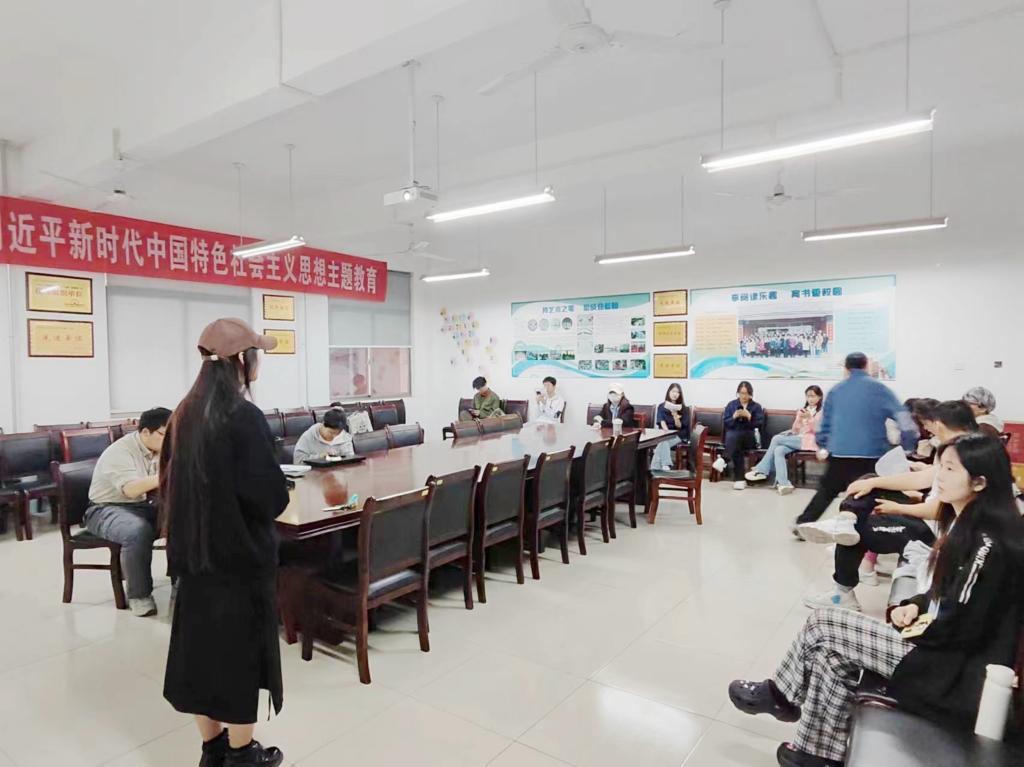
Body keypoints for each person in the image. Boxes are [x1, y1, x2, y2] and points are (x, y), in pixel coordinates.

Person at [728, 434, 1024, 767]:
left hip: (951, 673)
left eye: (950, 469)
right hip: (940, 651)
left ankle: (781, 694)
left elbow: (963, 626)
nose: (939, 476)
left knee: (824, 623)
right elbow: (946, 594)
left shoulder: (988, 542)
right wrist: (914, 605)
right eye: (940, 466)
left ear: (980, 482)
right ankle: (818, 755)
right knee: (829, 657)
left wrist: (913, 629)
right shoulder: (967, 524)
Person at [161, 318, 289, 767]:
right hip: (239, 562)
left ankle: (212, 748)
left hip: (195, 559)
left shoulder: (183, 414)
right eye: (257, 354)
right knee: (238, 658)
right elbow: (270, 497)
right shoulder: (242, 416)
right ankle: (241, 754)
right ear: (242, 360)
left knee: (200, 655)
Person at [799, 400, 980, 611]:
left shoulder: (965, 458)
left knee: (859, 529)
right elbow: (923, 479)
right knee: (869, 480)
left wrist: (898, 507)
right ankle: (846, 518)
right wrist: (875, 482)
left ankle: (842, 593)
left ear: (940, 424)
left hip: (933, 533)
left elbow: (940, 511)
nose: (928, 428)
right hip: (928, 516)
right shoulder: (956, 450)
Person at [792, 353, 917, 536]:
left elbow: (824, 424)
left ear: (846, 368)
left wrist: (823, 444)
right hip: (871, 453)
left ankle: (803, 524)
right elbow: (904, 419)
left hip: (840, 453)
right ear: (866, 366)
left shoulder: (836, 391)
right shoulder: (880, 389)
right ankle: (870, 530)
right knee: (870, 492)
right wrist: (908, 447)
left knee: (827, 490)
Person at [84, 406, 172, 617]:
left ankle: (182, 582)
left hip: (141, 505)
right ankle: (139, 596)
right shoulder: (120, 452)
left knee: (183, 518)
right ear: (145, 432)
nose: (170, 441)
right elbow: (131, 490)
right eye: (165, 435)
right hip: (105, 509)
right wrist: (170, 472)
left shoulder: (160, 448)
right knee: (136, 531)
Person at [746, 386, 823, 495]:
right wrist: (799, 419)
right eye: (808, 396)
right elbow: (795, 430)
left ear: (819, 397)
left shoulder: (822, 412)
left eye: (813, 396)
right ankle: (784, 484)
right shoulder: (802, 410)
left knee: (776, 438)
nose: (810, 399)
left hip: (811, 441)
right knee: (779, 450)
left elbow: (819, 430)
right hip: (798, 439)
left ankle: (762, 469)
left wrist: (810, 418)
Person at [711, 381, 765, 490]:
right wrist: (734, 417)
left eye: (746, 393)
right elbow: (726, 423)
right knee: (736, 441)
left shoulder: (756, 406)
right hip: (734, 438)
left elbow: (759, 425)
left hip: (750, 438)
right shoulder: (731, 405)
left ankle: (724, 460)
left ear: (750, 394)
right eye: (741, 393)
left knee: (734, 437)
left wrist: (749, 417)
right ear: (738, 393)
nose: (744, 396)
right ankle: (740, 480)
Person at [650, 383, 690, 471]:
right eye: (673, 391)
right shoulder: (661, 406)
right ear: (669, 392)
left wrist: (675, 415)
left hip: (679, 435)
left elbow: (680, 426)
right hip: (666, 433)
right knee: (664, 440)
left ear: (680, 395)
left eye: (678, 392)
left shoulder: (684, 409)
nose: (675, 394)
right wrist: (667, 433)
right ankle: (665, 465)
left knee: (662, 443)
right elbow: (661, 421)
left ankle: (655, 468)